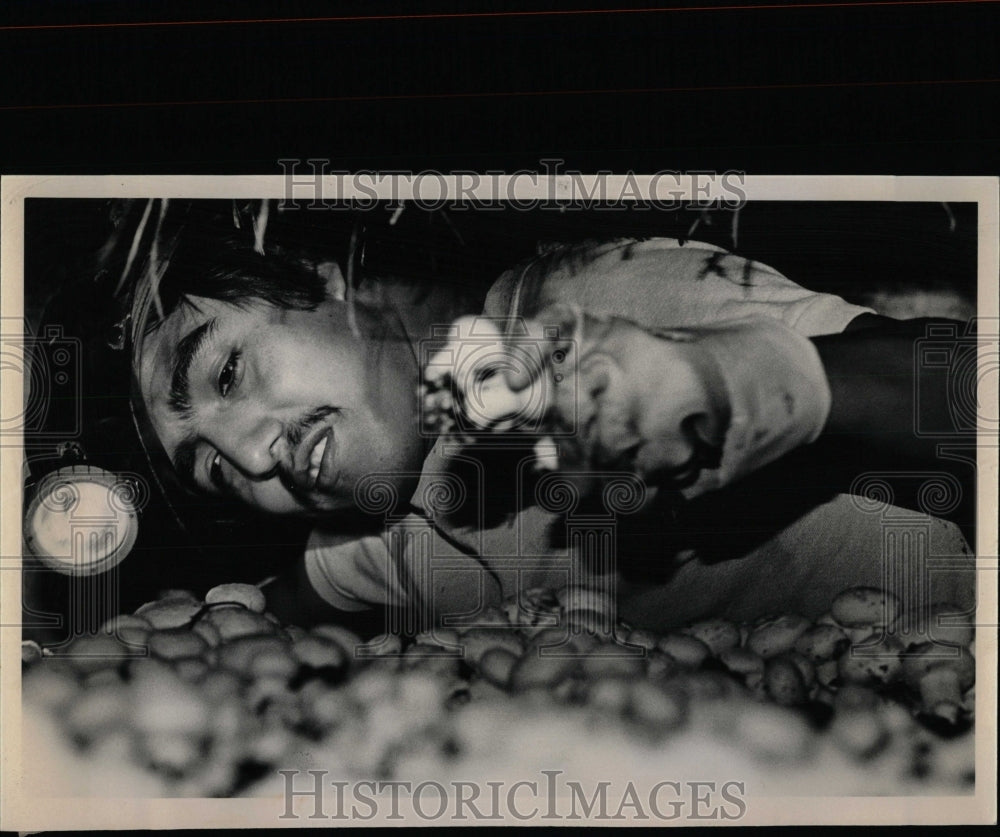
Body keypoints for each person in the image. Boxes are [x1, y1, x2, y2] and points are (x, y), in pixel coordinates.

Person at [133, 225, 977, 635]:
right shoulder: (383, 532)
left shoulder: (596, 298)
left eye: (227, 372)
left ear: (325, 285)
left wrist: (743, 383)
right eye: (211, 469)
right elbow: (283, 605)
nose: (250, 453)